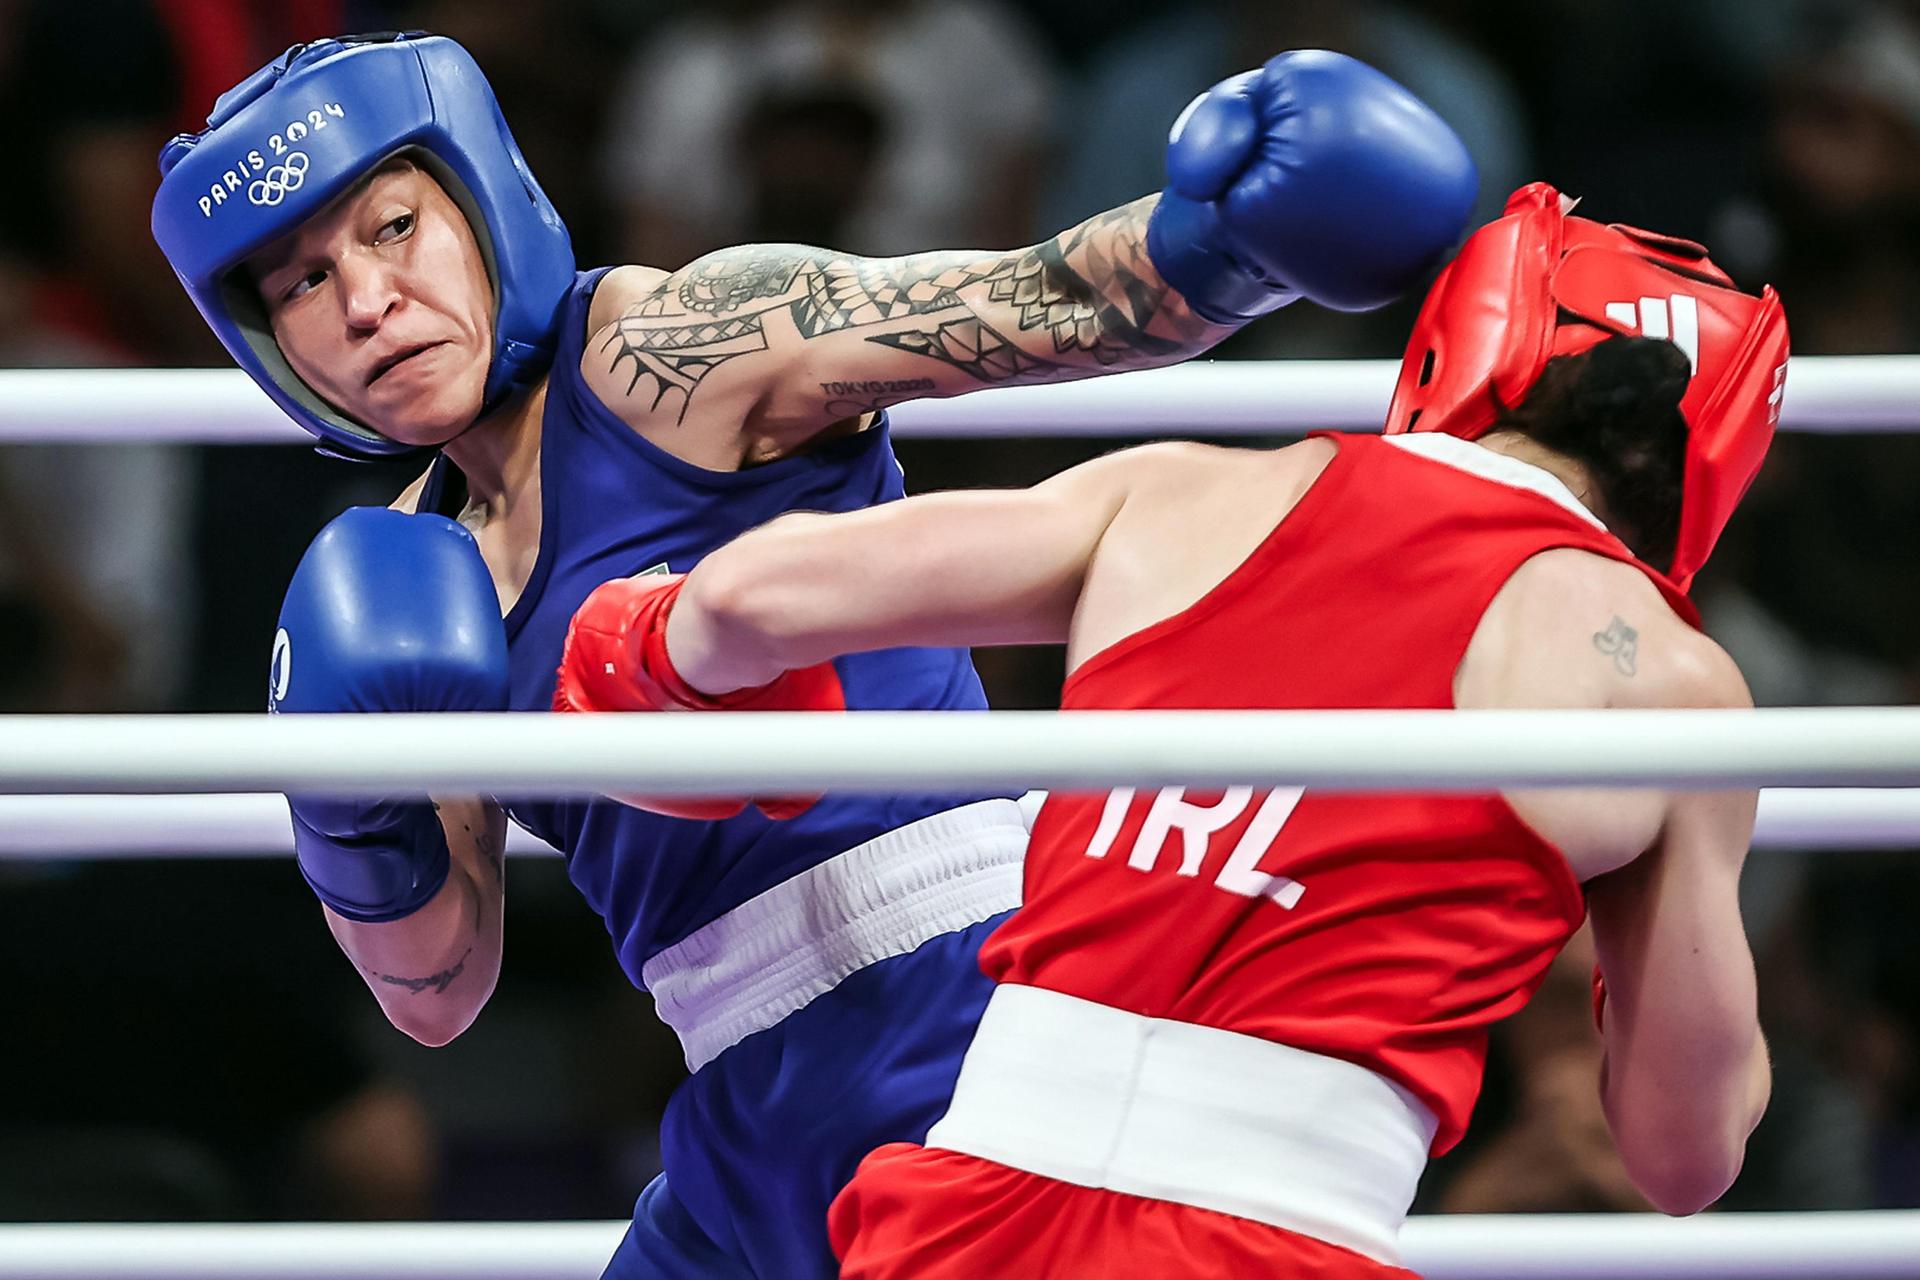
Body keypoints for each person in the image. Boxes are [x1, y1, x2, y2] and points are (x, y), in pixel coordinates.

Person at [148, 31, 1476, 1280]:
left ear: (481, 205)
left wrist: (1222, 242)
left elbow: (1046, 299)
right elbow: (436, 993)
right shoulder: (395, 579)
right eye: (305, 283)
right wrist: (352, 821)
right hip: (736, 1095)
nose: (371, 304)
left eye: (393, 230)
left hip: (962, 996)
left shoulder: (673, 349)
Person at [563, 182, 1786, 1277]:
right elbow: (1685, 1156)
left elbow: (739, 600)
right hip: (1287, 1238)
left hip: (967, 1215)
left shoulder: (1190, 491)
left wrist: (652, 653)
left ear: (1461, 343)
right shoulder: (1671, 686)